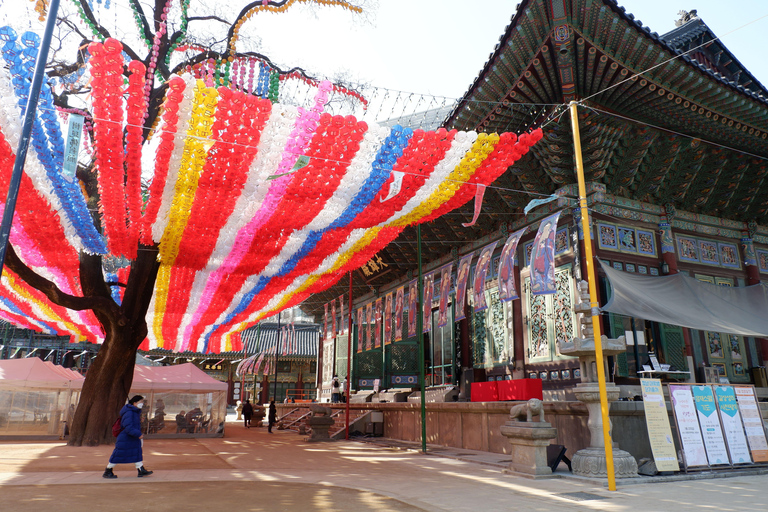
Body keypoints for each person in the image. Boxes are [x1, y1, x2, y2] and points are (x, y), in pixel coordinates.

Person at [103, 395, 153, 479]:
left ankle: (141, 470)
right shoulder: (130, 412)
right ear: (134, 403)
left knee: (136, 452)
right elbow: (128, 427)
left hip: (130, 437)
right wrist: (138, 434)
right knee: (119, 454)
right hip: (126, 438)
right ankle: (108, 470)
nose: (142, 404)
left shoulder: (133, 412)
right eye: (140, 402)